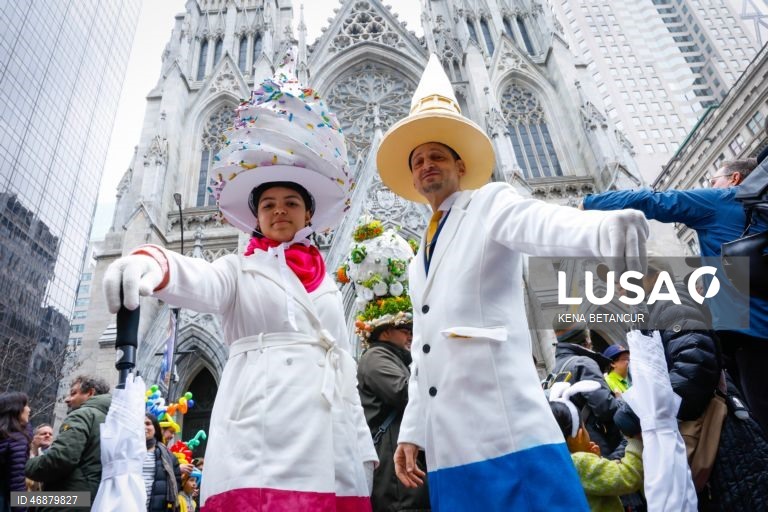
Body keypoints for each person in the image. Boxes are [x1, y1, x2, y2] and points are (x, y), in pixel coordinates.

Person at [376, 54, 648, 510]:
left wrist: (601, 230)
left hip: (506, 427)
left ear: (461, 166)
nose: (427, 165)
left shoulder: (490, 203)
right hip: (450, 446)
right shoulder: (415, 261)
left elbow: (538, 223)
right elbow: (422, 351)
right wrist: (413, 431)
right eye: (418, 159)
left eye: (437, 156)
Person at [103, 71, 377, 510]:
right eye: (269, 205)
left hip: (326, 437)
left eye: (291, 203)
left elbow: (344, 361)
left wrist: (361, 446)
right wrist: (151, 262)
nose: (279, 211)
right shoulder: (239, 269)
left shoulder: (325, 280)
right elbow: (200, 278)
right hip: (262, 434)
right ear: (257, 217)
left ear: (308, 214)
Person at [582, 158, 768, 433]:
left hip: (751, 338)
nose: (710, 186)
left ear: (735, 179)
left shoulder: (724, 201)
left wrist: (588, 204)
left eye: (713, 180)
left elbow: (652, 200)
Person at [346, 221, 431, 512]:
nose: (411, 334)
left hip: (410, 479)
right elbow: (407, 393)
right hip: (398, 488)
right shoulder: (376, 358)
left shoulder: (397, 357)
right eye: (404, 327)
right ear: (383, 331)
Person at [549, 382, 644, 512]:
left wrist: (597, 460)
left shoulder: (558, 463)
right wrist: (635, 442)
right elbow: (628, 477)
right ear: (579, 434)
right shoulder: (579, 462)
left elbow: (598, 483)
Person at [25, 376, 111, 511]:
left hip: (70, 499)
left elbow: (60, 459)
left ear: (90, 393)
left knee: (17, 499)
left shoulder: (82, 415)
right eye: (42, 433)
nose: (67, 399)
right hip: (89, 498)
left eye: (73, 393)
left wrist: (24, 465)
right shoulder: (109, 419)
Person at [552, 322, 623, 457]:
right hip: (597, 446)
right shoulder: (583, 363)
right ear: (586, 340)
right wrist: (620, 400)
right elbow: (606, 408)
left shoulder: (555, 370)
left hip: (573, 449)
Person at [143, 413, 181, 512]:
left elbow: (176, 482)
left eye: (147, 423)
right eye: (140, 423)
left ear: (155, 428)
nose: (144, 426)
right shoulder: (124, 452)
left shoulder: (169, 456)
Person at [0, 392, 31, 512]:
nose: (29, 409)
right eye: (26, 405)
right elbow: (16, 484)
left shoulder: (5, 435)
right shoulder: (16, 440)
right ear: (16, 410)